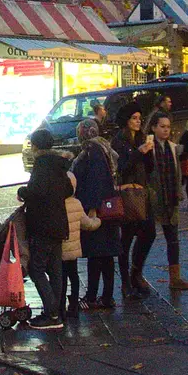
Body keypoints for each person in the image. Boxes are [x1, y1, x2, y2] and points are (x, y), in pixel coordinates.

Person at [17, 128, 71, 329]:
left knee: (36, 268)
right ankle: (57, 312)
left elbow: (37, 192)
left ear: (36, 146)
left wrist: (23, 191)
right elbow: (69, 189)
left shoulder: (42, 165)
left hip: (43, 224)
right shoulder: (59, 164)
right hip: (58, 223)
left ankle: (52, 313)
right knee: (55, 269)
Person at [136, 109, 188, 293]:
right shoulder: (148, 147)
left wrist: (179, 192)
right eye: (162, 127)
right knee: (147, 237)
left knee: (173, 239)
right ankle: (136, 272)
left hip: (171, 197)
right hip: (153, 198)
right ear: (153, 127)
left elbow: (177, 172)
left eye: (168, 127)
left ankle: (175, 277)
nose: (166, 130)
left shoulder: (173, 147)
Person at [71, 118, 122, 309]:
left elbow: (95, 180)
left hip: (97, 212)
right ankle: (107, 296)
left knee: (95, 254)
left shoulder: (92, 152)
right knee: (107, 255)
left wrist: (92, 208)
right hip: (109, 209)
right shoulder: (104, 147)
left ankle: (92, 296)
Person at [113, 105, 153, 298]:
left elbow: (149, 167)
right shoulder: (119, 141)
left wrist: (148, 152)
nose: (138, 121)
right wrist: (139, 152)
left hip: (142, 191)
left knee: (149, 232)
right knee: (126, 239)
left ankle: (136, 272)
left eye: (140, 118)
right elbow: (122, 167)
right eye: (134, 118)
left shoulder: (141, 137)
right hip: (127, 193)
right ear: (126, 120)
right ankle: (126, 283)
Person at [61, 171, 101, 313]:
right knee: (74, 276)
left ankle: (60, 305)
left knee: (61, 277)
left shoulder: (56, 204)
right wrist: (97, 219)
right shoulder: (76, 204)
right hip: (74, 249)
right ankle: (73, 304)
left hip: (60, 249)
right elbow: (88, 225)